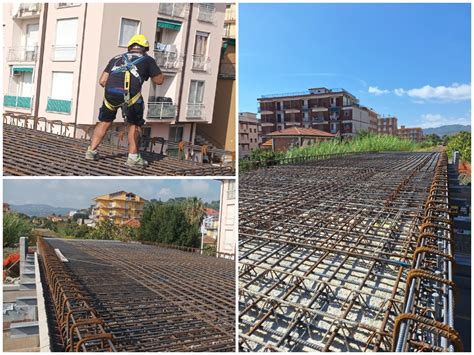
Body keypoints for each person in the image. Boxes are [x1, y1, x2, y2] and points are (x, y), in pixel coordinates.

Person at [85, 34, 164, 167]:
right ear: (144, 48)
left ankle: (91, 152)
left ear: (130, 47)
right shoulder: (148, 60)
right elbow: (159, 80)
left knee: (104, 121)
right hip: (131, 97)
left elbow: (102, 81)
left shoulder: (116, 58)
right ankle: (133, 158)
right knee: (134, 125)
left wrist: (116, 90)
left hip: (110, 95)